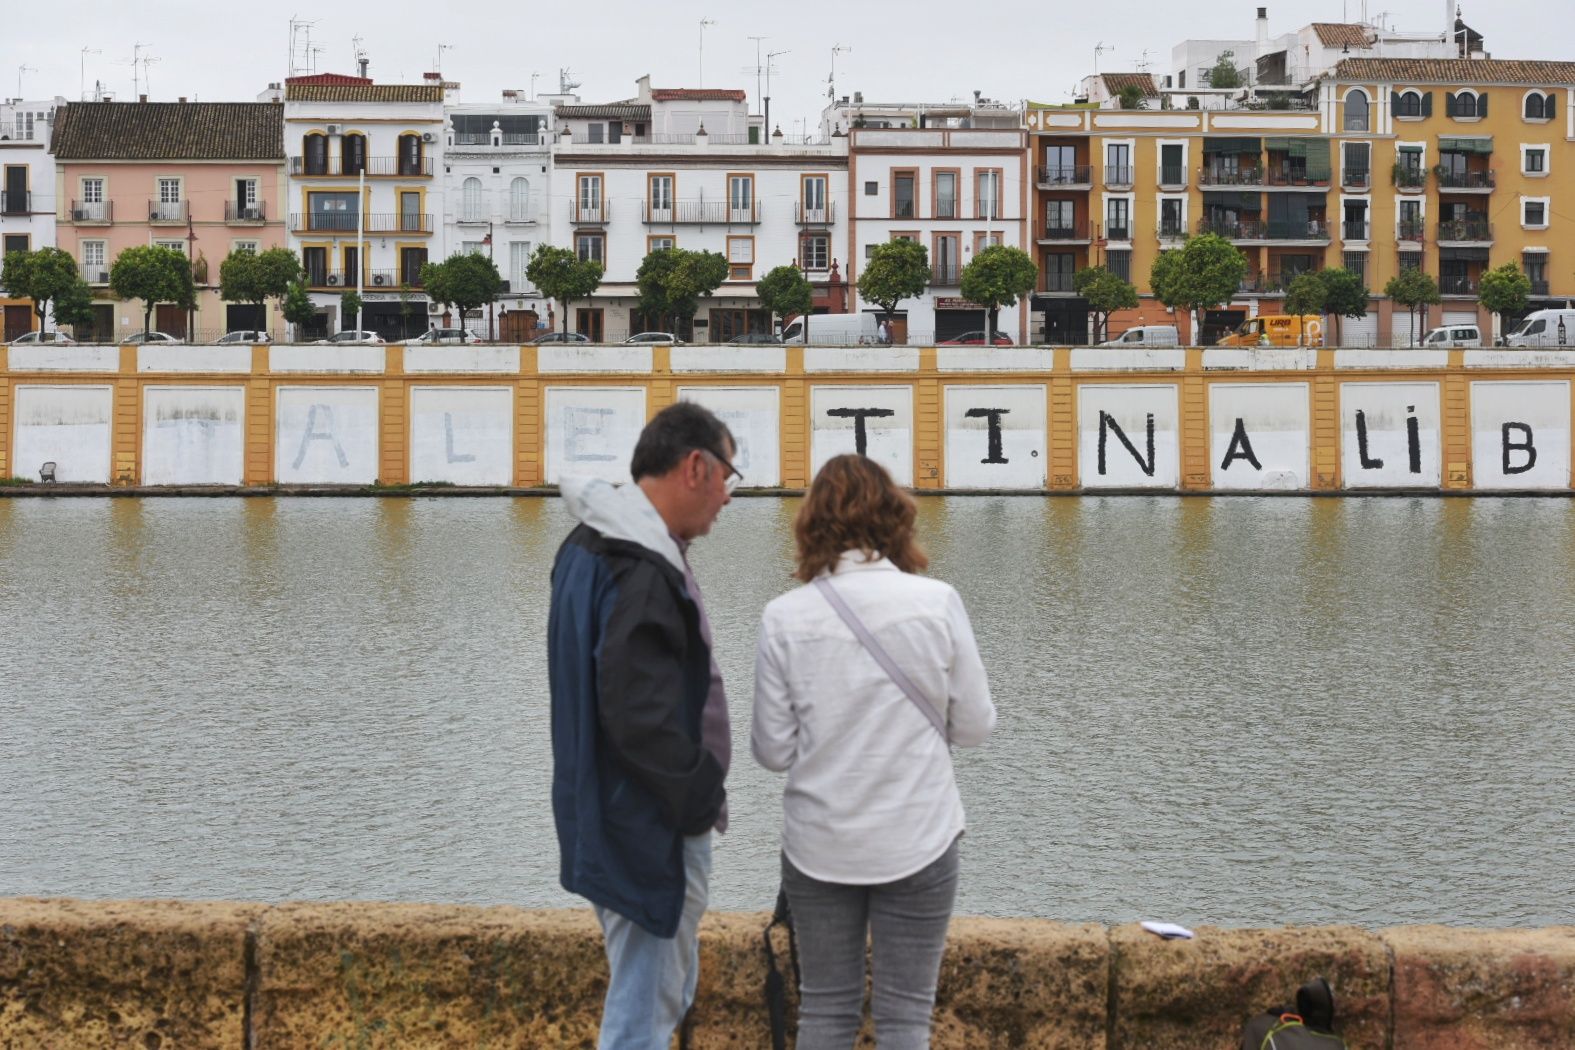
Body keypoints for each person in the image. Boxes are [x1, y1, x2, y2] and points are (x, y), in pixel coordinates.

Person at [751, 454, 996, 1049]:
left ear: (811, 525)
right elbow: (974, 726)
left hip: (819, 844)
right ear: (896, 520)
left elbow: (772, 750)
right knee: (906, 1018)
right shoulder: (937, 602)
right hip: (919, 837)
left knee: (825, 1013)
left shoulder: (784, 617)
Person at [548, 401, 743, 1050]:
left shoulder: (590, 548)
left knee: (652, 1001)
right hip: (646, 829)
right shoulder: (640, 567)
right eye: (728, 479)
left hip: (608, 814)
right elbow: (639, 717)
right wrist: (697, 799)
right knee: (642, 1016)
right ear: (696, 467)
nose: (726, 500)